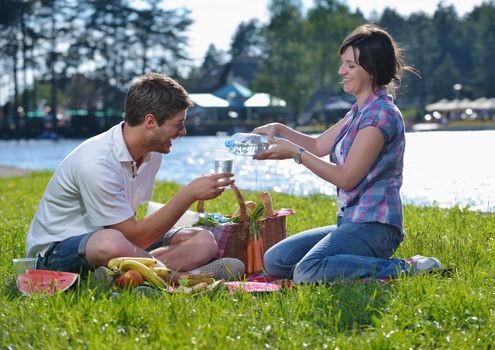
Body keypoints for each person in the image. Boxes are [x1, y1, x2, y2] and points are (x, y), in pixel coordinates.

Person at [253, 24, 442, 283]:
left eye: (350, 66)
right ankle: (353, 265)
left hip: (376, 228)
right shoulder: (359, 111)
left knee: (307, 271)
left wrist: (295, 153)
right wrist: (280, 129)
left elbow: (346, 178)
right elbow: (319, 146)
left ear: (372, 70)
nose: (342, 71)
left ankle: (408, 268)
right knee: (274, 261)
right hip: (351, 223)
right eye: (343, 64)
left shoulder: (379, 115)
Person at [26, 73, 244, 281]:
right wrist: (188, 194)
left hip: (118, 239)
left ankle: (125, 276)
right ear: (150, 121)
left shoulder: (152, 154)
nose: (183, 131)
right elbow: (133, 238)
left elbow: (133, 233)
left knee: (203, 239)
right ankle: (179, 279)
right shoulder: (96, 162)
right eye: (178, 124)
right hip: (58, 251)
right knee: (110, 242)